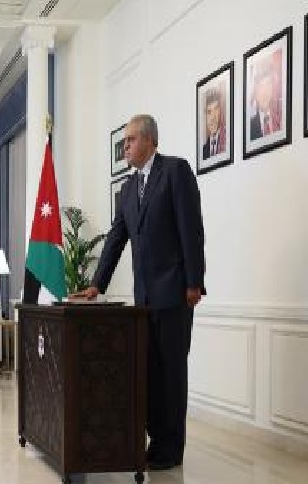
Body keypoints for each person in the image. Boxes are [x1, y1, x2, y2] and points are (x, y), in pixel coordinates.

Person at [71, 115, 205, 472]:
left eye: (130, 140)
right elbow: (116, 239)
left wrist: (194, 282)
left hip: (176, 294)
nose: (125, 147)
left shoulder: (175, 172)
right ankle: (154, 441)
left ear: (148, 140)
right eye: (125, 141)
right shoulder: (128, 188)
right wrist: (97, 284)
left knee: (172, 373)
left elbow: (191, 229)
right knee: (151, 373)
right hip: (144, 300)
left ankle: (171, 450)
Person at [249, 60, 281, 140]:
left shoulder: (281, 116)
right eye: (261, 86)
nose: (265, 91)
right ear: (255, 92)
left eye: (268, 84)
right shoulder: (249, 127)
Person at [201, 89, 226, 159]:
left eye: (216, 110)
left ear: (221, 112)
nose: (212, 118)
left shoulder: (227, 141)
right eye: (209, 112)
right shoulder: (203, 151)